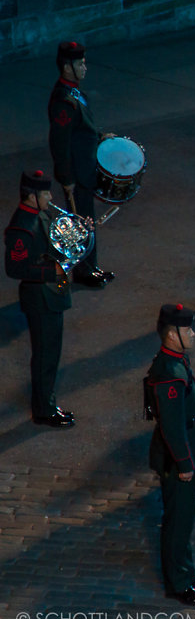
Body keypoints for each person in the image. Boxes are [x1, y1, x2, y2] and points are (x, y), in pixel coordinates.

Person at [145, 303, 195, 607]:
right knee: (177, 522)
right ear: (172, 334)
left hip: (187, 451)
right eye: (188, 329)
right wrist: (185, 463)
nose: (193, 334)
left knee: (185, 520)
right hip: (179, 460)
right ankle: (178, 582)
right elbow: (173, 426)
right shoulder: (171, 372)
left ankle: (187, 572)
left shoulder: (175, 362)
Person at [4, 169, 75, 428]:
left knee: (51, 353)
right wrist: (52, 271)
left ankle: (47, 402)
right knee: (45, 355)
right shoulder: (21, 228)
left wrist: (78, 232)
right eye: (45, 193)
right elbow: (14, 269)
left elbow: (54, 239)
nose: (50, 197)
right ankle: (44, 410)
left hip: (51, 296)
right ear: (32, 196)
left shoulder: (40, 214)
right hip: (40, 299)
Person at [47, 41, 112, 287]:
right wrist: (66, 177)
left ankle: (91, 266)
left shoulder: (74, 92)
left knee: (86, 220)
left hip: (85, 169)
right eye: (80, 64)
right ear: (66, 67)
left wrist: (101, 136)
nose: (85, 68)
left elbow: (83, 129)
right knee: (81, 222)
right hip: (76, 171)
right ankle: (84, 271)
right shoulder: (64, 99)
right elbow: (60, 142)